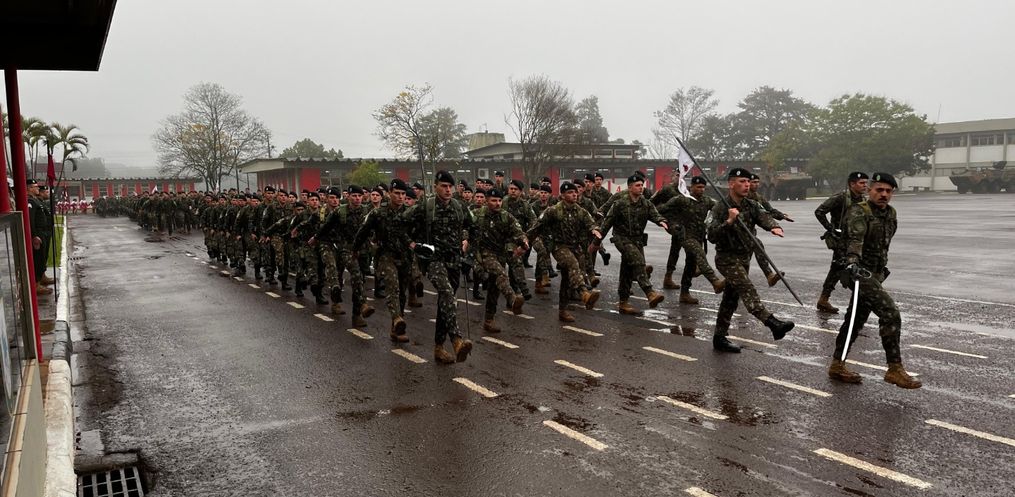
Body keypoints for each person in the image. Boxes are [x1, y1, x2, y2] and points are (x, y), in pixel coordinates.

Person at [828, 173, 920, 389]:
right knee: (890, 313)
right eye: (879, 190)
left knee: (855, 320)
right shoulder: (859, 212)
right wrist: (853, 263)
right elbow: (855, 241)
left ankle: (837, 365)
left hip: (875, 274)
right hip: (859, 273)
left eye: (888, 191)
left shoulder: (890, 213)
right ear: (870, 190)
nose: (884, 194)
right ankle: (894, 369)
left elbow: (884, 244)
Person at [706, 168, 794, 353]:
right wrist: (729, 221)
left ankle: (719, 338)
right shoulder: (719, 207)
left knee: (730, 299)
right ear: (731, 184)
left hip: (744, 258)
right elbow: (711, 235)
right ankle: (773, 323)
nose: (747, 185)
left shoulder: (751, 204)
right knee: (747, 288)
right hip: (727, 259)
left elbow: (764, 216)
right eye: (742, 181)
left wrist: (773, 226)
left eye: (748, 181)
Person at [403, 171, 475, 363]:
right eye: (444, 186)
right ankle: (457, 340)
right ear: (435, 186)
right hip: (433, 260)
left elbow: (474, 227)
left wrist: (467, 245)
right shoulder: (425, 207)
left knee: (445, 302)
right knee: (447, 294)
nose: (448, 190)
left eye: (450, 186)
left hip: (454, 261)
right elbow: (400, 223)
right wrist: (412, 244)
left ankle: (439, 347)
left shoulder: (459, 206)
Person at [526, 181, 602, 323]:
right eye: (570, 192)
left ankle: (562, 310)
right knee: (573, 264)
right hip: (558, 246)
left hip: (575, 247)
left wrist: (594, 230)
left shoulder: (580, 211)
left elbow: (591, 223)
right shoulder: (553, 210)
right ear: (562, 195)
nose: (574, 195)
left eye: (575, 192)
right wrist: (524, 243)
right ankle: (584, 293)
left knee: (567, 278)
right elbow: (536, 227)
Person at [597, 174, 669, 315]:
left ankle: (623, 302)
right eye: (637, 185)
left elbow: (655, 214)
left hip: (637, 240)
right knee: (638, 261)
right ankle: (650, 293)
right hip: (621, 238)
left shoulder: (645, 203)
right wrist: (596, 242)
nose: (641, 188)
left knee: (627, 269)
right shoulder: (620, 203)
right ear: (630, 187)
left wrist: (661, 221)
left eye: (642, 185)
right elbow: (607, 223)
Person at [354, 180, 412, 342]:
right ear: (390, 193)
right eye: (397, 193)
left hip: (405, 256)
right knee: (392, 287)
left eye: (403, 194)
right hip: (386, 255)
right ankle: (397, 318)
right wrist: (355, 249)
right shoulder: (378, 213)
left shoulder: (410, 213)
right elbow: (363, 231)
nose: (400, 197)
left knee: (402, 293)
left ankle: (396, 328)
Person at [657, 176, 725, 304]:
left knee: (690, 264)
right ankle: (715, 281)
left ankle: (684, 293)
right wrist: (671, 223)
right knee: (700, 255)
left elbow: (720, 208)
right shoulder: (681, 199)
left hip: (699, 236)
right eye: (698, 187)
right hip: (685, 236)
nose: (701, 189)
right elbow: (660, 210)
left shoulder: (706, 201)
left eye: (703, 187)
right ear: (691, 187)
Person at [470, 188, 527, 333]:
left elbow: (518, 231)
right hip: (483, 255)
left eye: (500, 200)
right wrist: (465, 241)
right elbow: (464, 227)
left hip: (500, 255)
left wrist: (523, 242)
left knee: (494, 289)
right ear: (486, 200)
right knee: (502, 274)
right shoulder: (477, 214)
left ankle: (489, 320)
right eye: (494, 200)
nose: (497, 203)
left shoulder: (505, 216)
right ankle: (512, 298)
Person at [814, 172, 868, 313]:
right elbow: (819, 211)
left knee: (840, 269)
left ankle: (824, 299)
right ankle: (825, 299)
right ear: (852, 184)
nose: (865, 186)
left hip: (855, 241)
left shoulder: (862, 199)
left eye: (865, 183)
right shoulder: (840, 197)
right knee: (839, 269)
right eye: (861, 183)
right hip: (841, 241)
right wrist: (830, 228)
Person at [748, 173, 794, 287]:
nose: (756, 184)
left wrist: (782, 216)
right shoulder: (740, 196)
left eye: (757, 182)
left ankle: (768, 276)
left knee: (747, 259)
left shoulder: (758, 198)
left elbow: (769, 211)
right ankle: (768, 275)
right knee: (755, 247)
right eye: (753, 182)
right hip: (736, 233)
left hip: (750, 232)